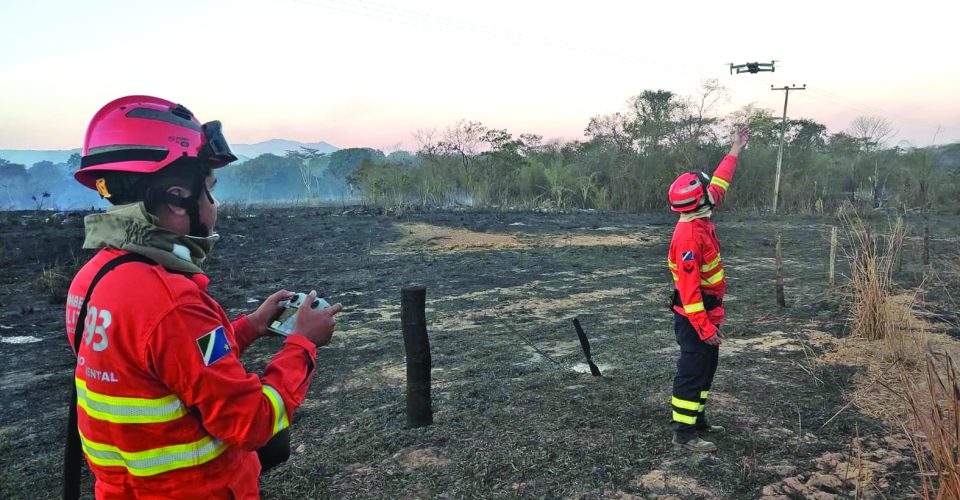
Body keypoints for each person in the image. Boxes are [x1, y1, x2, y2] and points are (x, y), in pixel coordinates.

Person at [64, 95, 343, 498]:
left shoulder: (91, 281)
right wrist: (303, 344)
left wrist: (248, 328)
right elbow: (254, 423)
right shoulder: (172, 303)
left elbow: (164, 365)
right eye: (208, 191)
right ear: (177, 199)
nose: (214, 205)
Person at [666, 127, 750, 453]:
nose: (712, 193)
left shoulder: (700, 209)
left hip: (708, 312)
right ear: (698, 200)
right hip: (692, 317)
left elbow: (720, 182)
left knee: (707, 368)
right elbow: (688, 293)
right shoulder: (688, 237)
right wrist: (703, 329)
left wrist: (735, 149)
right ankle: (684, 434)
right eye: (706, 190)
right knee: (692, 370)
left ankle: (698, 420)